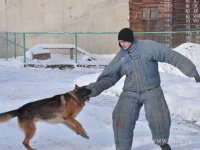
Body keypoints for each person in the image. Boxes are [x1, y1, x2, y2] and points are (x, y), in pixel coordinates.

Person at [86, 28, 200, 150]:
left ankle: (163, 144)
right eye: (120, 41)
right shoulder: (121, 57)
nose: (122, 44)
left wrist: (191, 70)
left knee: (159, 119)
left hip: (152, 90)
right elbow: (109, 77)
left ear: (131, 39)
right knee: (121, 118)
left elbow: (171, 56)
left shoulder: (148, 47)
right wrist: (91, 90)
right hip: (130, 92)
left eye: (124, 41)